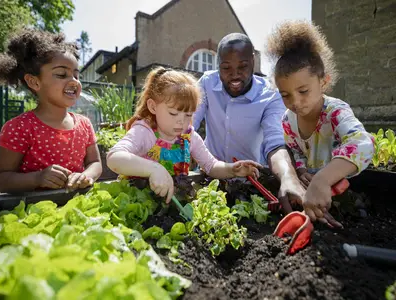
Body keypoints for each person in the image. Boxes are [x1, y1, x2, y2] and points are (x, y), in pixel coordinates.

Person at [266, 20, 374, 224]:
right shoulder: (288, 121)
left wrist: (323, 179)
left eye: (303, 91)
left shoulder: (335, 113)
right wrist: (302, 171)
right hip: (312, 192)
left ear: (323, 82)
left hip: (343, 190)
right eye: (285, 95)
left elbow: (363, 144)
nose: (295, 102)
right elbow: (295, 150)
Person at [107, 67, 262, 203]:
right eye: (173, 113)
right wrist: (154, 169)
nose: (181, 122)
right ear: (153, 107)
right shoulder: (145, 132)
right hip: (137, 204)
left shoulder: (188, 136)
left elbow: (210, 165)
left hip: (172, 205)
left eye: (188, 115)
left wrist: (232, 169)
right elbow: (114, 157)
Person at [193, 33, 305, 212]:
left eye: (243, 67)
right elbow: (186, 126)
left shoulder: (270, 95)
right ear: (218, 65)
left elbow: (275, 144)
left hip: (250, 183)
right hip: (210, 178)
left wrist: (288, 177)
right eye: (226, 68)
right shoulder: (207, 84)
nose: (234, 75)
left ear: (253, 62)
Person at [0, 29, 102, 193]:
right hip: (34, 214)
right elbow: (0, 180)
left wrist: (87, 176)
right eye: (61, 74)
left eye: (76, 75)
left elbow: (95, 163)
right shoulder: (19, 127)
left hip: (79, 210)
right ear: (34, 82)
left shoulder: (85, 124)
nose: (74, 81)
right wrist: (37, 178)